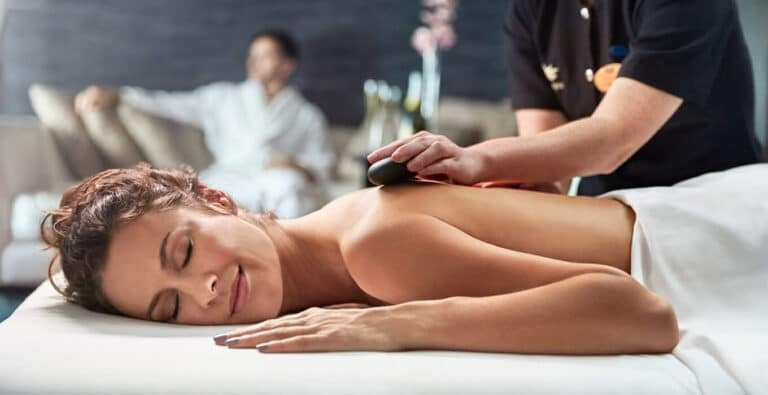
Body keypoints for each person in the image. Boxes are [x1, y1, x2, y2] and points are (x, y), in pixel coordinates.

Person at [41, 162, 768, 354]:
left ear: (219, 200)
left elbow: (640, 313)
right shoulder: (342, 252)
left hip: (723, 242)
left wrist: (394, 325)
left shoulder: (373, 244)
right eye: (169, 308)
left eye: (185, 249)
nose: (200, 289)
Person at [368, 0, 763, 195]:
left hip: (707, 199)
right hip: (603, 205)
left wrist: (476, 159)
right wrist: (517, 186)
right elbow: (543, 156)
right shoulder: (532, 12)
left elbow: (613, 138)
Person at [74, 30, 335, 218]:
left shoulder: (307, 116)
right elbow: (166, 103)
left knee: (288, 185)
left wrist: (295, 166)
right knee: (199, 199)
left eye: (264, 56)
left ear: (287, 65)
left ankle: (291, 254)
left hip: (275, 179)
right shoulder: (222, 98)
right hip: (231, 176)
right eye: (252, 56)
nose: (253, 62)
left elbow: (321, 164)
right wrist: (118, 95)